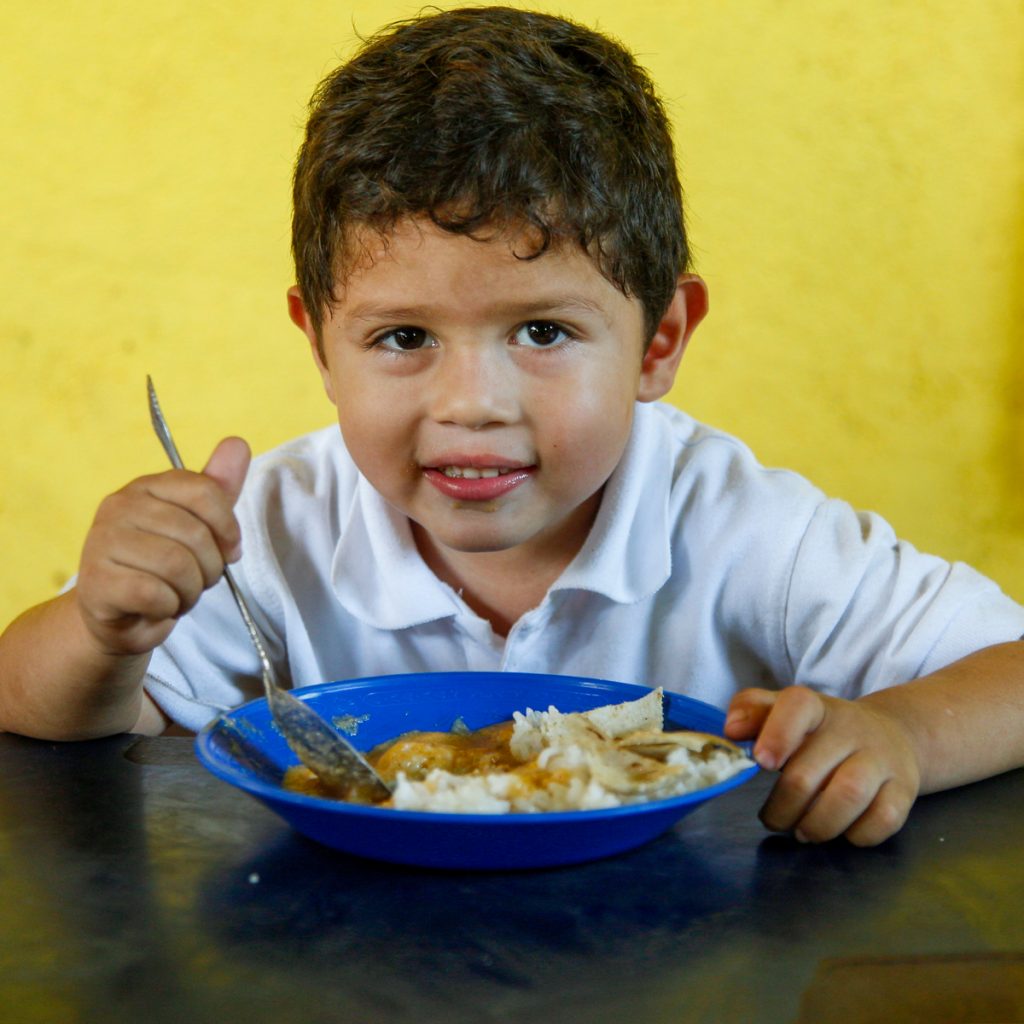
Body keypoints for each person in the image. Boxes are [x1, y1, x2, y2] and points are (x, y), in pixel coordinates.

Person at [1, 6, 1022, 847]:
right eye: (402, 336)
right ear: (319, 344)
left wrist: (900, 735)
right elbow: (38, 708)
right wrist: (103, 630)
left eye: (541, 329)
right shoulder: (267, 529)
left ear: (658, 340)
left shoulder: (742, 527)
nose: (470, 402)